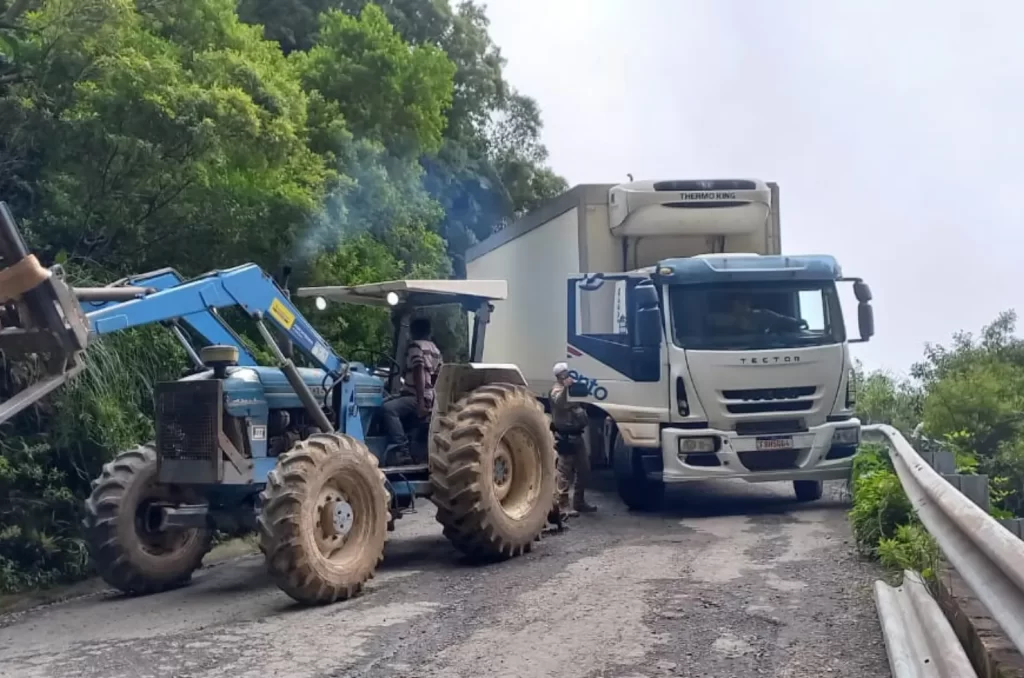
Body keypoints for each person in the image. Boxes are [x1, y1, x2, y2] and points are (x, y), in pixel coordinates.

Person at [381, 317, 443, 465]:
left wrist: (421, 402)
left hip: (416, 396)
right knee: (385, 399)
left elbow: (418, 370)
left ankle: (402, 449)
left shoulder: (416, 346)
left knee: (387, 409)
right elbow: (438, 376)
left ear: (413, 331)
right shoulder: (435, 350)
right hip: (427, 395)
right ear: (429, 331)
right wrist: (431, 397)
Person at [549, 362, 597, 517]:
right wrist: (567, 389)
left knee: (584, 469)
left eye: (567, 373)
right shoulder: (556, 390)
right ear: (558, 376)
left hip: (577, 435)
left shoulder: (571, 388)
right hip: (565, 436)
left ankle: (579, 501)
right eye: (563, 374)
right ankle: (563, 505)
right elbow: (560, 402)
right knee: (564, 472)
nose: (566, 376)